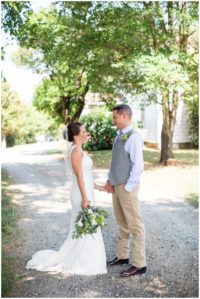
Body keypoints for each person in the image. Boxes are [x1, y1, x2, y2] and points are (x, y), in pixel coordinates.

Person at [26, 122, 107, 275]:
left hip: (86, 192)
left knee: (85, 227)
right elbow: (79, 176)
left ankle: (85, 258)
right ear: (76, 135)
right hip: (82, 195)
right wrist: (85, 198)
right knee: (86, 227)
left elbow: (86, 175)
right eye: (83, 131)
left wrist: (99, 187)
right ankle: (84, 262)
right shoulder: (76, 151)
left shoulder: (79, 149)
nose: (86, 133)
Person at [104, 104, 146, 277]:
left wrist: (128, 188)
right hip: (117, 185)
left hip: (127, 187)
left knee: (135, 225)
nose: (113, 120)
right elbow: (116, 162)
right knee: (122, 222)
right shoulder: (119, 136)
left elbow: (138, 165)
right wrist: (109, 180)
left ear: (124, 116)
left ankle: (139, 263)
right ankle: (122, 256)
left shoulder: (134, 137)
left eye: (115, 117)